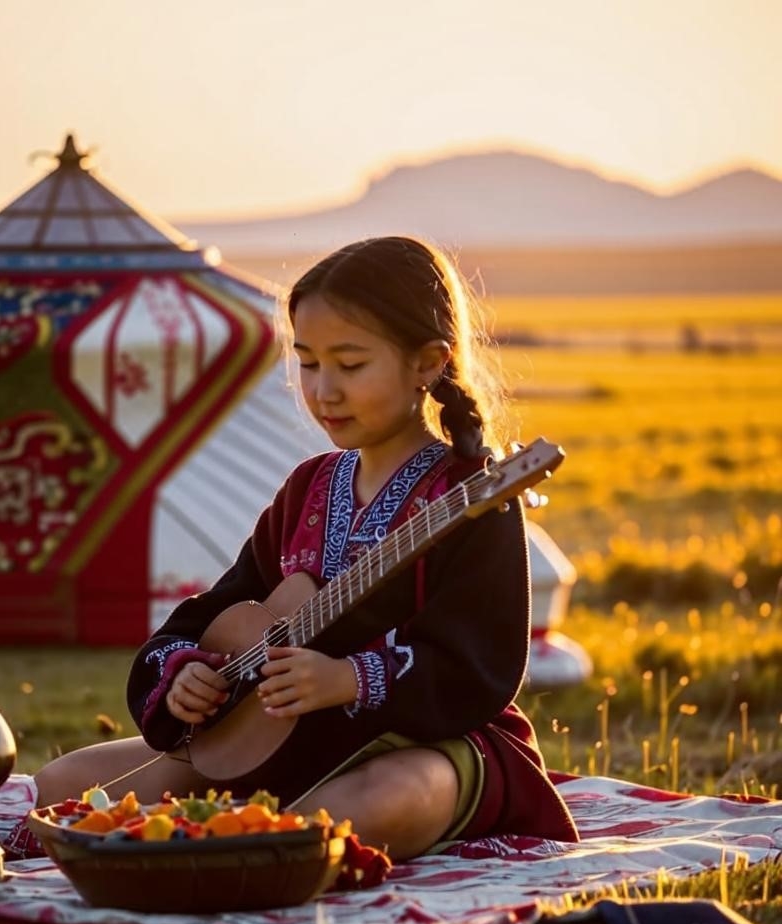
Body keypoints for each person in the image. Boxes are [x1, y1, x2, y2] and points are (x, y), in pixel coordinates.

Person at [34, 236, 579, 860]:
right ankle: (249, 833)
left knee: (354, 813)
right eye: (309, 363)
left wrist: (350, 678)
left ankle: (254, 837)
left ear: (428, 362)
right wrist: (188, 673)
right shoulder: (309, 489)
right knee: (61, 788)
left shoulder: (474, 497)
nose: (324, 391)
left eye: (350, 365)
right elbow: (220, 608)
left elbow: (482, 663)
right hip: (284, 737)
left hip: (426, 745)